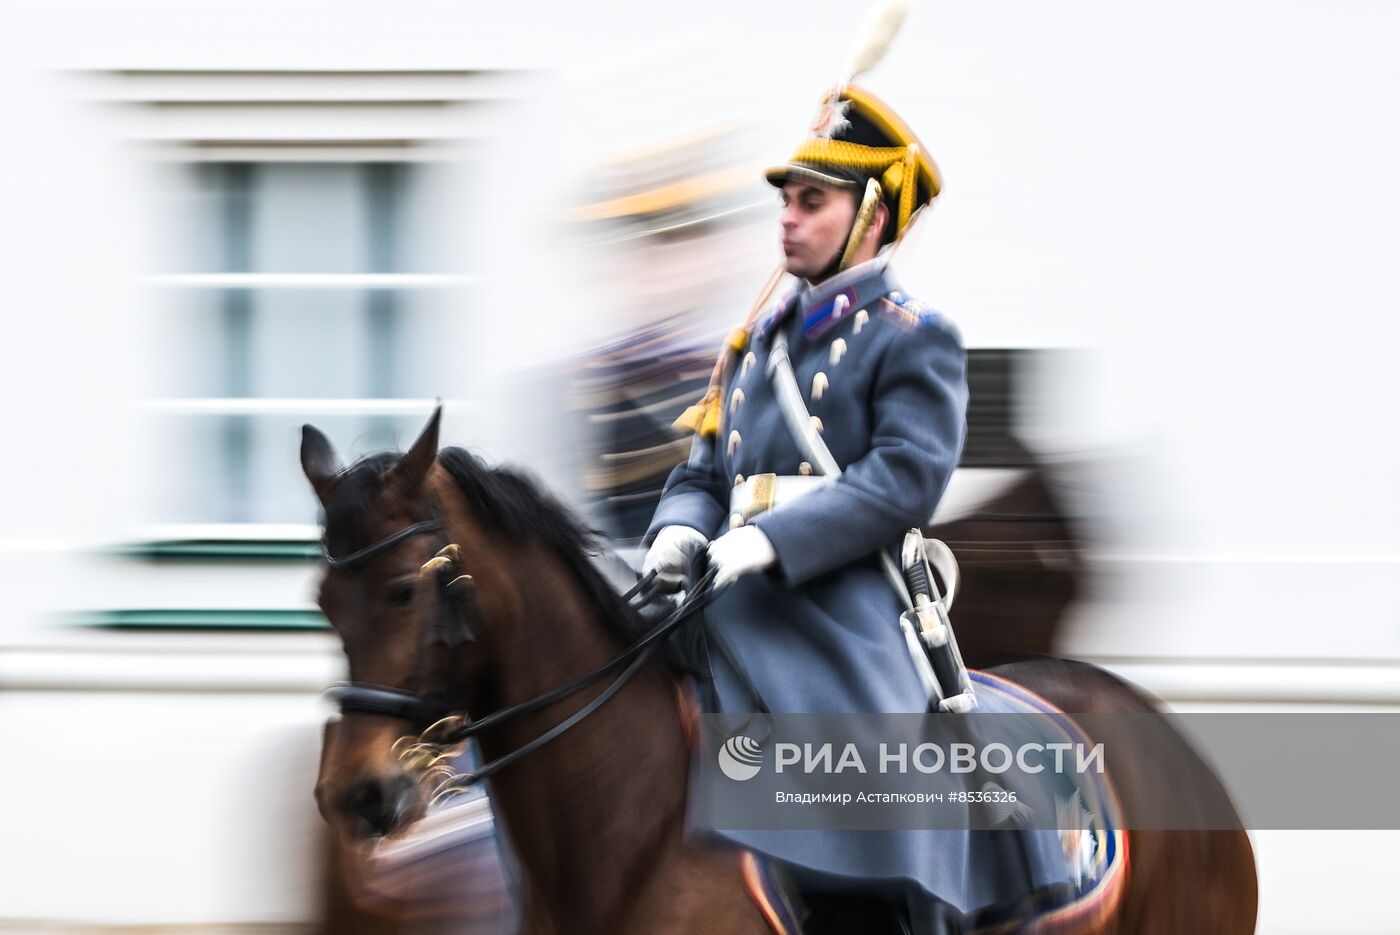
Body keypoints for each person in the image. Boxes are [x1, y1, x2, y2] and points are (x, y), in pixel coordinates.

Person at [641, 86, 1072, 934]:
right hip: (721, 590)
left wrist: (768, 541)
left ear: (872, 216)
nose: (788, 221)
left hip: (836, 606)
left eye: (813, 201)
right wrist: (681, 531)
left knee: (862, 772)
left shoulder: (912, 335)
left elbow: (906, 478)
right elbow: (703, 468)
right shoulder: (755, 344)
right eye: (786, 201)